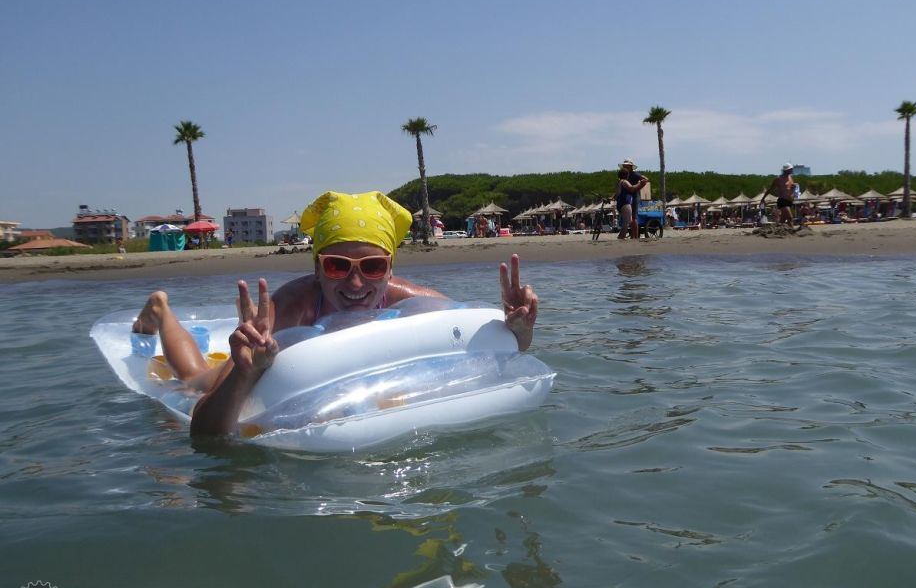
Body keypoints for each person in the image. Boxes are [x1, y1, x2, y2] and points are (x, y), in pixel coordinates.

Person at [130, 191, 539, 437]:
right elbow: (206, 431)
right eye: (338, 266)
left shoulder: (412, 299)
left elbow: (483, 346)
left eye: (373, 267)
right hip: (256, 356)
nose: (356, 284)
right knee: (194, 379)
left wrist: (518, 331)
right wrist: (245, 371)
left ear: (391, 268)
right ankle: (162, 310)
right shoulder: (291, 306)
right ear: (316, 267)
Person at [615, 160, 649, 240]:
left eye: (626, 165)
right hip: (627, 198)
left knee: (633, 218)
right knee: (629, 219)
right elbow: (630, 188)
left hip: (633, 197)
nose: (624, 167)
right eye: (624, 165)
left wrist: (641, 183)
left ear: (630, 166)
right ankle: (631, 236)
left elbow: (646, 179)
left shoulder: (635, 174)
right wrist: (639, 184)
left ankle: (635, 236)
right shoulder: (624, 178)